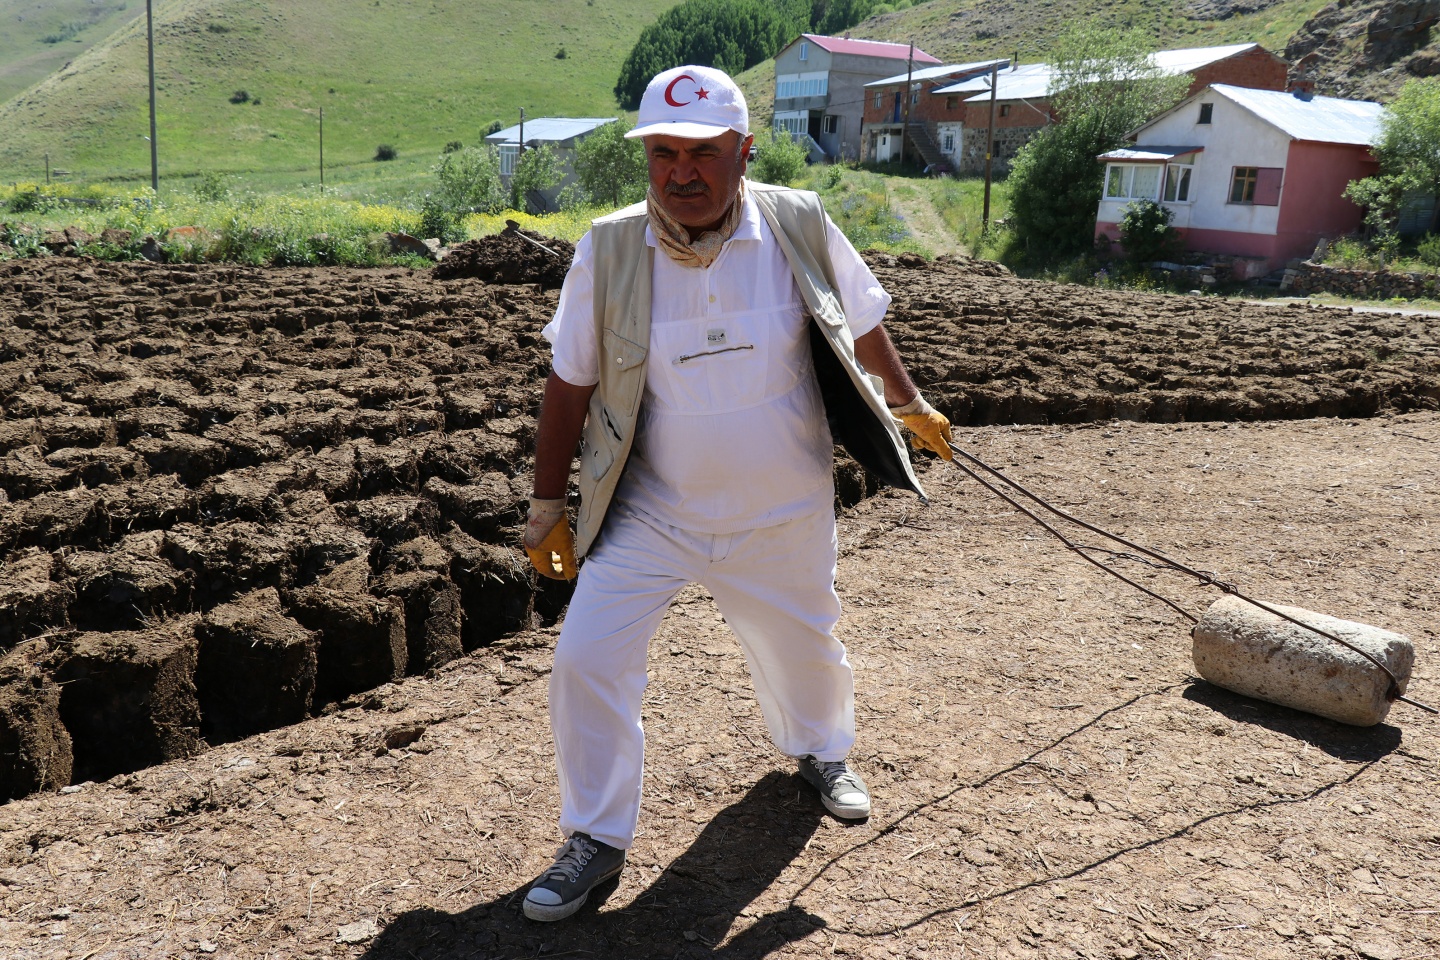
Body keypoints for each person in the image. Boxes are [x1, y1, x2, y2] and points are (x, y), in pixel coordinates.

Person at [518, 64, 953, 923]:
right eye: (664, 153)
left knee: (808, 649)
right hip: (651, 515)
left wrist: (908, 403)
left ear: (744, 152)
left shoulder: (797, 224)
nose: (681, 171)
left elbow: (860, 320)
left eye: (703, 153)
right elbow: (568, 385)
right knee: (586, 662)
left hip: (782, 510)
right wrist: (545, 507)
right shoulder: (608, 249)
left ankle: (821, 754)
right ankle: (595, 837)